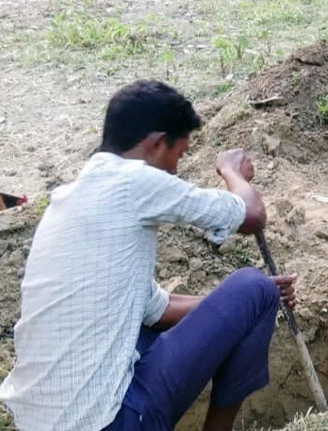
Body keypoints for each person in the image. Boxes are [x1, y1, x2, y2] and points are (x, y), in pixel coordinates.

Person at [0, 80, 296, 431]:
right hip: (112, 422)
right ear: (156, 143)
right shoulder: (133, 181)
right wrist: (231, 171)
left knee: (252, 293)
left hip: (44, 422)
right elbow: (252, 215)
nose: (175, 170)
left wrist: (237, 307)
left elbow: (157, 311)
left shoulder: (73, 198)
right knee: (253, 284)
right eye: (179, 155)